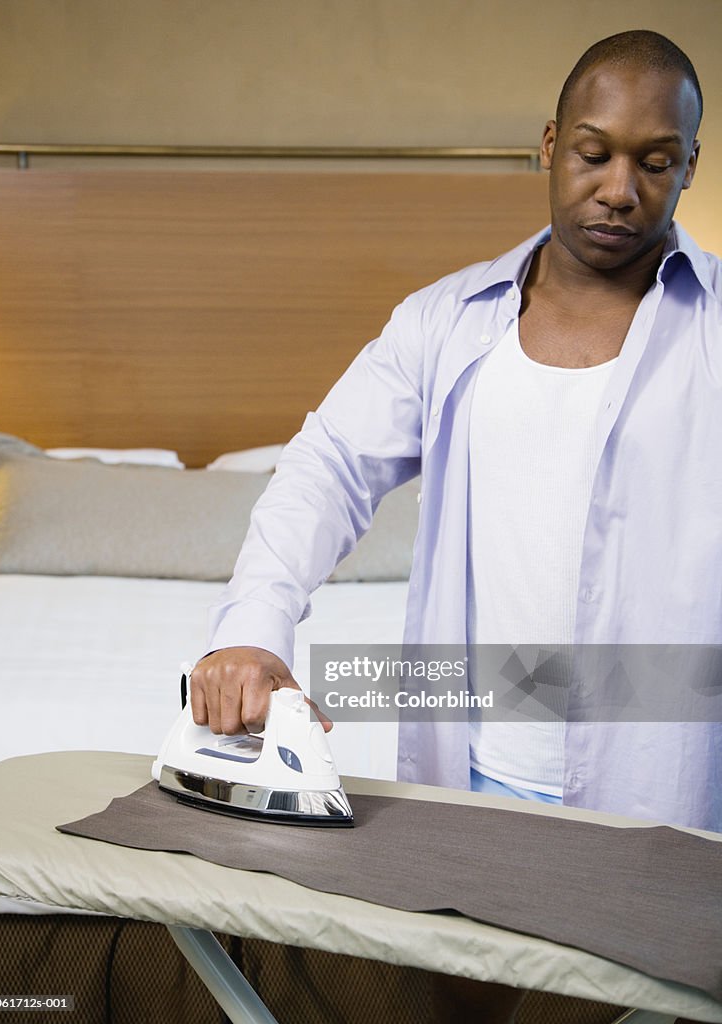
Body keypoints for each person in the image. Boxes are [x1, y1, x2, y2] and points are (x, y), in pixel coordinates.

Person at [191, 31, 717, 1020]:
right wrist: (253, 629)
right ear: (550, 144)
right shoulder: (442, 323)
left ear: (688, 166)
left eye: (655, 162)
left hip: (655, 796)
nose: (620, 188)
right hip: (470, 786)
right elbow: (327, 469)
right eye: (595, 152)